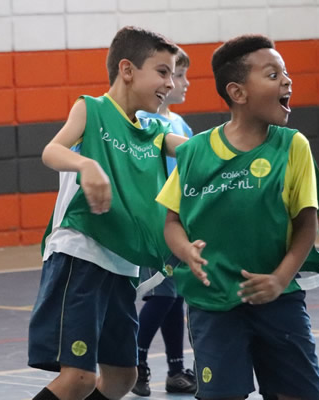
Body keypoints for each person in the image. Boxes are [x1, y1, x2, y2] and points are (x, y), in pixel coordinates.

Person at [156, 34, 319, 400]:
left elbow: (306, 223)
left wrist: (280, 279)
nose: (286, 81)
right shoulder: (195, 152)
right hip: (213, 303)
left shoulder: (293, 146)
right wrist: (186, 251)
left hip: (278, 300)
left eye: (285, 72)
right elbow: (172, 221)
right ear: (238, 93)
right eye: (272, 74)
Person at [28, 26, 186, 400]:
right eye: (163, 71)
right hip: (80, 256)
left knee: (122, 378)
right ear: (128, 70)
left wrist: (245, 148)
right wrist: (86, 165)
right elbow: (52, 151)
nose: (170, 82)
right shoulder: (91, 108)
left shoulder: (156, 130)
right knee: (78, 378)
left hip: (122, 266)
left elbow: (199, 151)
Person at [131, 48, 196, 396]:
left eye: (181, 75)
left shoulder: (180, 124)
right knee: (161, 294)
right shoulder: (146, 124)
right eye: (175, 75)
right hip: (156, 225)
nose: (182, 83)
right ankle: (135, 362)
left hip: (179, 222)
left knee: (175, 297)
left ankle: (174, 369)